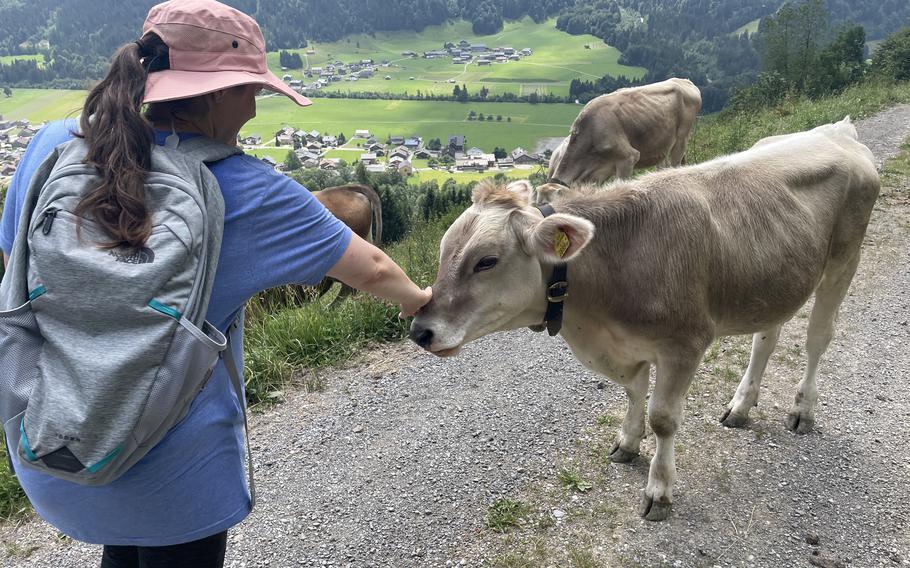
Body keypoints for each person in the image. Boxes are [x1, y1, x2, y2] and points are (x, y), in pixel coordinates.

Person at [0, 1, 431, 566]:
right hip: (175, 478)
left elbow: (14, 265)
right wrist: (420, 303)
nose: (254, 109)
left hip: (52, 449)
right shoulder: (252, 190)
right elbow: (372, 269)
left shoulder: (54, 144)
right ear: (216, 91)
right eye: (251, 90)